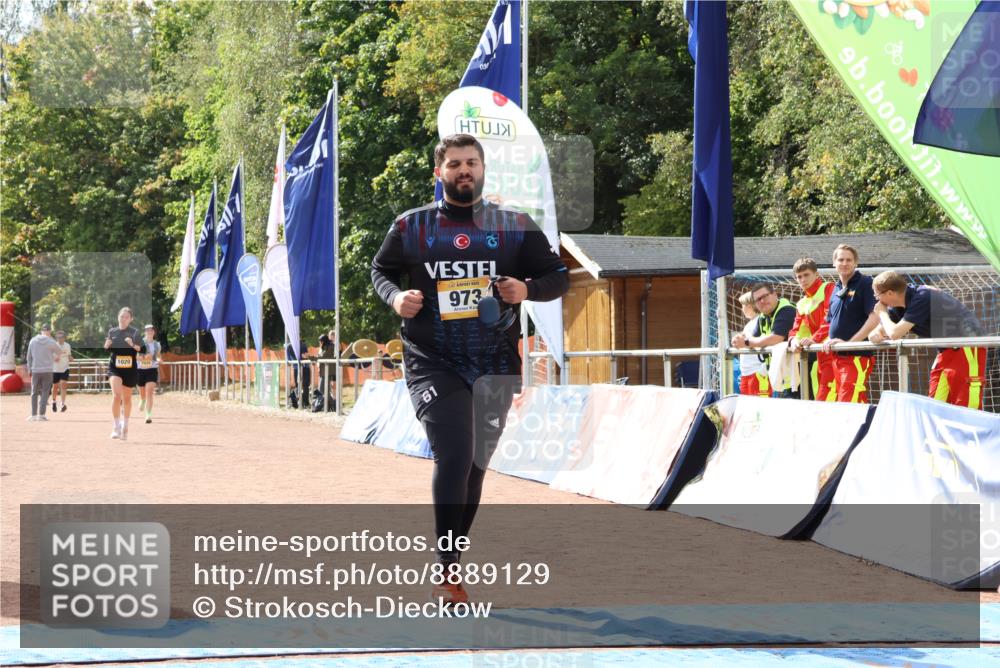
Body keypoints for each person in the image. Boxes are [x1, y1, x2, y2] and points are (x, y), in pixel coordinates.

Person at [371, 133, 568, 604]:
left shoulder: (514, 224)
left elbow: (558, 276)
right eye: (455, 163)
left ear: (483, 169)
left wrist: (527, 290)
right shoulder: (411, 226)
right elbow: (379, 270)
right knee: (455, 455)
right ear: (439, 172)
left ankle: (452, 559)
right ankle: (447, 570)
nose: (465, 170)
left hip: (495, 361)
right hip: (432, 359)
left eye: (472, 163)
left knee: (477, 466)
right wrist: (397, 297)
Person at [868, 271, 988, 410]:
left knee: (966, 402)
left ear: (889, 293)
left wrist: (882, 313)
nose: (878, 301)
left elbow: (895, 333)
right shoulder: (899, 307)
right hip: (946, 350)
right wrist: (875, 333)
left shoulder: (922, 297)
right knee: (935, 403)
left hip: (966, 346)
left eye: (877, 295)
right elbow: (881, 331)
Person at [822, 244, 880, 403]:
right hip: (837, 357)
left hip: (856, 357)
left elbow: (875, 318)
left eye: (849, 260)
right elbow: (831, 321)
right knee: (855, 402)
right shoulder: (835, 288)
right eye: (840, 259)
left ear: (856, 263)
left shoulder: (865, 283)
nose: (844, 263)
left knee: (848, 403)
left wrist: (850, 344)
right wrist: (828, 339)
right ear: (834, 263)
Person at [731, 283, 797, 397]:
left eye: (765, 296)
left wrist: (746, 342)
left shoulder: (786, 310)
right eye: (758, 299)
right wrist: (740, 339)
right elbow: (752, 338)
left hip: (798, 373)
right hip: (783, 375)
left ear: (774, 294)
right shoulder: (763, 316)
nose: (762, 301)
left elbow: (776, 338)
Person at [787, 258, 837, 401]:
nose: (803, 279)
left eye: (806, 275)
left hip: (835, 353)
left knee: (828, 399)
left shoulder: (829, 288)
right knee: (820, 399)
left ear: (816, 274)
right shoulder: (802, 303)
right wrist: (794, 341)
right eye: (799, 277)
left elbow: (830, 319)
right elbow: (795, 330)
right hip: (820, 356)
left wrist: (814, 338)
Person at [104, 307, 142, 440]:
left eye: (127, 317)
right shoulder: (112, 331)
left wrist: (132, 344)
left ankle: (125, 425)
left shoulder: (135, 332)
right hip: (115, 367)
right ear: (118, 317)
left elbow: (141, 349)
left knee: (126, 399)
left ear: (131, 319)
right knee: (116, 396)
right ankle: (116, 426)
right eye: (122, 316)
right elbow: (108, 349)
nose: (124, 318)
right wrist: (106, 346)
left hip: (130, 369)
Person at [734, 292, 769, 397]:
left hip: (757, 372)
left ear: (750, 305)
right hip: (746, 372)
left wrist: (762, 371)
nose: (742, 309)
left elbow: (763, 342)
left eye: (743, 306)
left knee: (759, 408)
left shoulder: (761, 320)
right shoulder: (750, 323)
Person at [26, 324, 60, 421]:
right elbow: (59, 352)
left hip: (36, 370)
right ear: (49, 332)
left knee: (34, 392)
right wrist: (54, 357)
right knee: (45, 392)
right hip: (48, 370)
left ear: (41, 331)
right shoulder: (51, 341)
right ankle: (41, 415)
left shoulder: (32, 341)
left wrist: (29, 369)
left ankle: (33, 415)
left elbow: (29, 357)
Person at [137, 324, 160, 423]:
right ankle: (142, 400)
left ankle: (148, 415)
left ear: (154, 332)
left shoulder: (157, 344)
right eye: (147, 330)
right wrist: (145, 357)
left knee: (149, 392)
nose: (149, 332)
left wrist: (159, 360)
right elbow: (136, 357)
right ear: (145, 332)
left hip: (152, 370)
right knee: (143, 394)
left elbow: (158, 356)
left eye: (151, 330)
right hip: (140, 370)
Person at [50, 330, 73, 413]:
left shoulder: (67, 345)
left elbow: (69, 355)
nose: (60, 339)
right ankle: (53, 401)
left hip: (65, 368)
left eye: (61, 337)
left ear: (64, 338)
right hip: (55, 369)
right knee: (55, 386)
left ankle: (63, 404)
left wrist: (70, 358)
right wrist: (54, 358)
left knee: (63, 385)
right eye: (58, 337)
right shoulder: (53, 345)